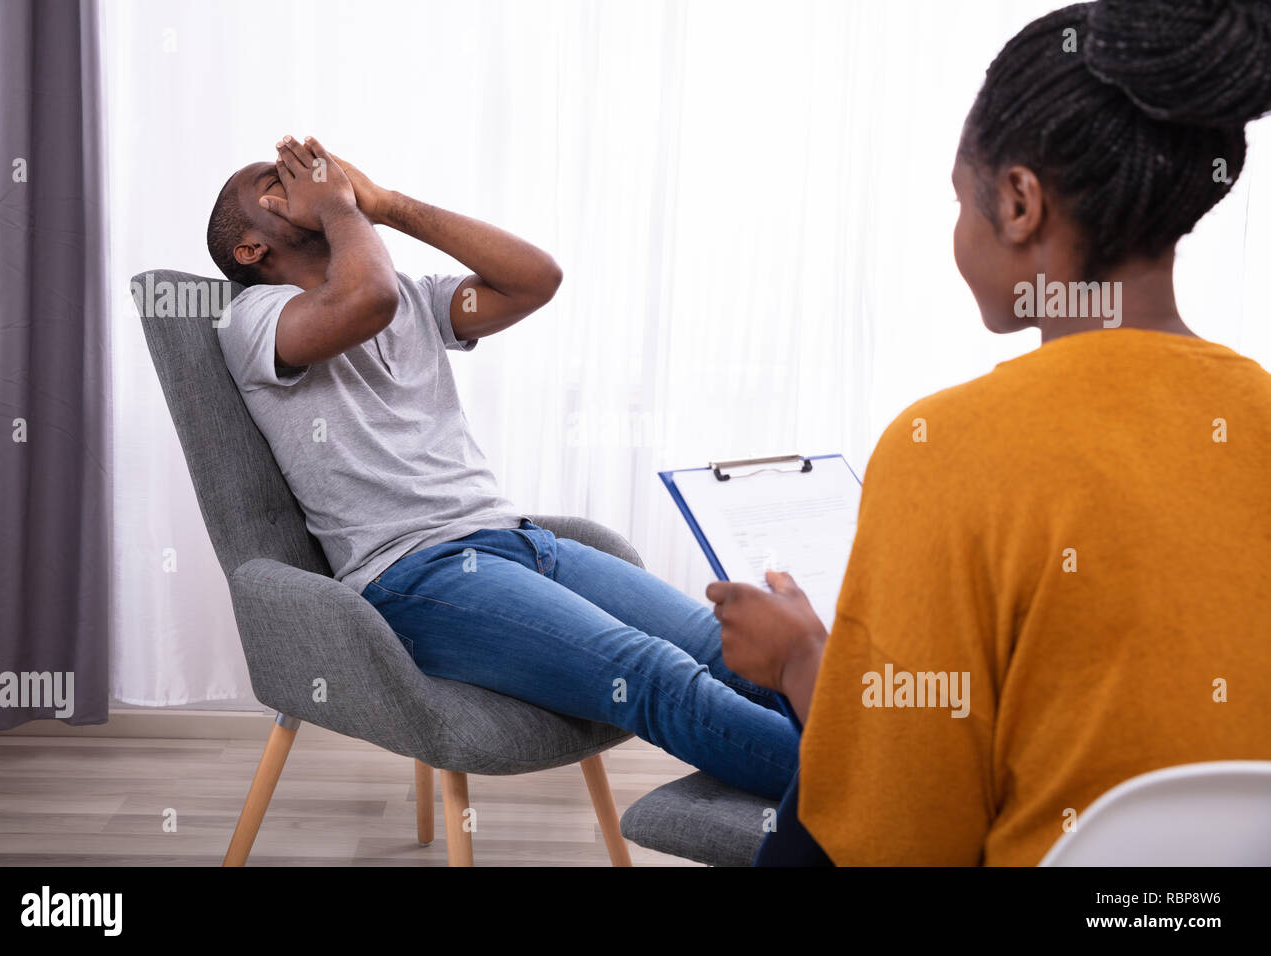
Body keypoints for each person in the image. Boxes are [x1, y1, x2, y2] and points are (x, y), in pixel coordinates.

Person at [710, 0, 1271, 865]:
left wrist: (800, 661)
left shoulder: (946, 449)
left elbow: (898, 839)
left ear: (1017, 203)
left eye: (959, 200)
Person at [208, 135, 799, 802]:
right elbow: (363, 298)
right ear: (251, 250)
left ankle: (873, 776)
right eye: (276, 182)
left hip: (518, 542)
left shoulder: (410, 297)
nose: (304, 177)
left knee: (729, 648)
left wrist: (385, 204)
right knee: (653, 674)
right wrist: (343, 210)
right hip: (414, 576)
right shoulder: (252, 318)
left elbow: (535, 278)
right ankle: (871, 800)